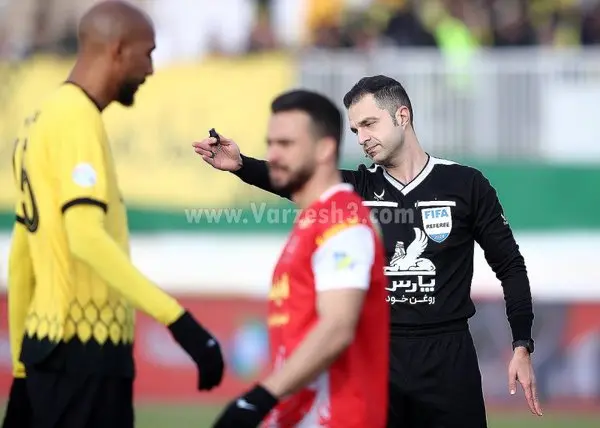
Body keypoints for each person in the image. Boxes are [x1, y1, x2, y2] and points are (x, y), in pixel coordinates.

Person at [194, 76, 543, 427]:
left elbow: (510, 265)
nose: (362, 138)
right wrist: (242, 165)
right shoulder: (357, 188)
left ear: (402, 116)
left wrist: (521, 344)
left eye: (369, 124)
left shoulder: (466, 185)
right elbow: (298, 181)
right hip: (376, 357)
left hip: (449, 359)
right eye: (355, 129)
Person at [3, 2, 224, 428]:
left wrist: (21, 370)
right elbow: (85, 237)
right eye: (148, 53)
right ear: (118, 50)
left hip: (47, 354)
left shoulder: (40, 120)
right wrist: (180, 322)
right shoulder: (76, 118)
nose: (151, 69)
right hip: (85, 355)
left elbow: (21, 255)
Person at [203, 90, 389, 428]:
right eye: (271, 143)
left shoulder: (342, 221)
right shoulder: (315, 219)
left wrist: (258, 399)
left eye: (286, 144)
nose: (273, 154)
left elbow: (337, 326)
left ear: (324, 149)